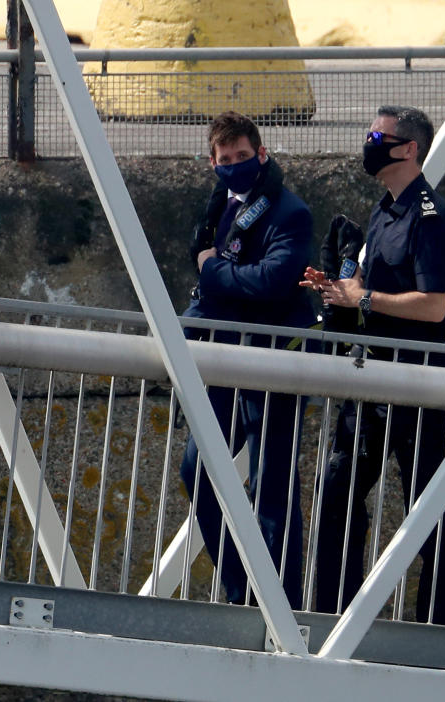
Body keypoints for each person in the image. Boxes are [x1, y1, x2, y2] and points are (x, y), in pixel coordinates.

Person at [303, 105, 445, 625]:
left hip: (417, 381)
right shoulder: (382, 210)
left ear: (409, 148)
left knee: (430, 507)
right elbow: (362, 288)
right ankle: (332, 615)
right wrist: (337, 290)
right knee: (336, 492)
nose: (368, 141)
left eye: (379, 135)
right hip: (371, 377)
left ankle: (438, 630)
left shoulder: (431, 217)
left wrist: (365, 299)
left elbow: (435, 305)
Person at [180, 111, 314, 609]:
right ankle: (244, 590)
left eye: (242, 156)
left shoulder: (289, 212)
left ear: (261, 154)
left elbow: (273, 283)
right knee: (196, 469)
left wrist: (214, 269)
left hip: (275, 361)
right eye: (224, 159)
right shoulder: (222, 202)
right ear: (212, 163)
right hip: (222, 359)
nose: (234, 165)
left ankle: (281, 602)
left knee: (272, 484)